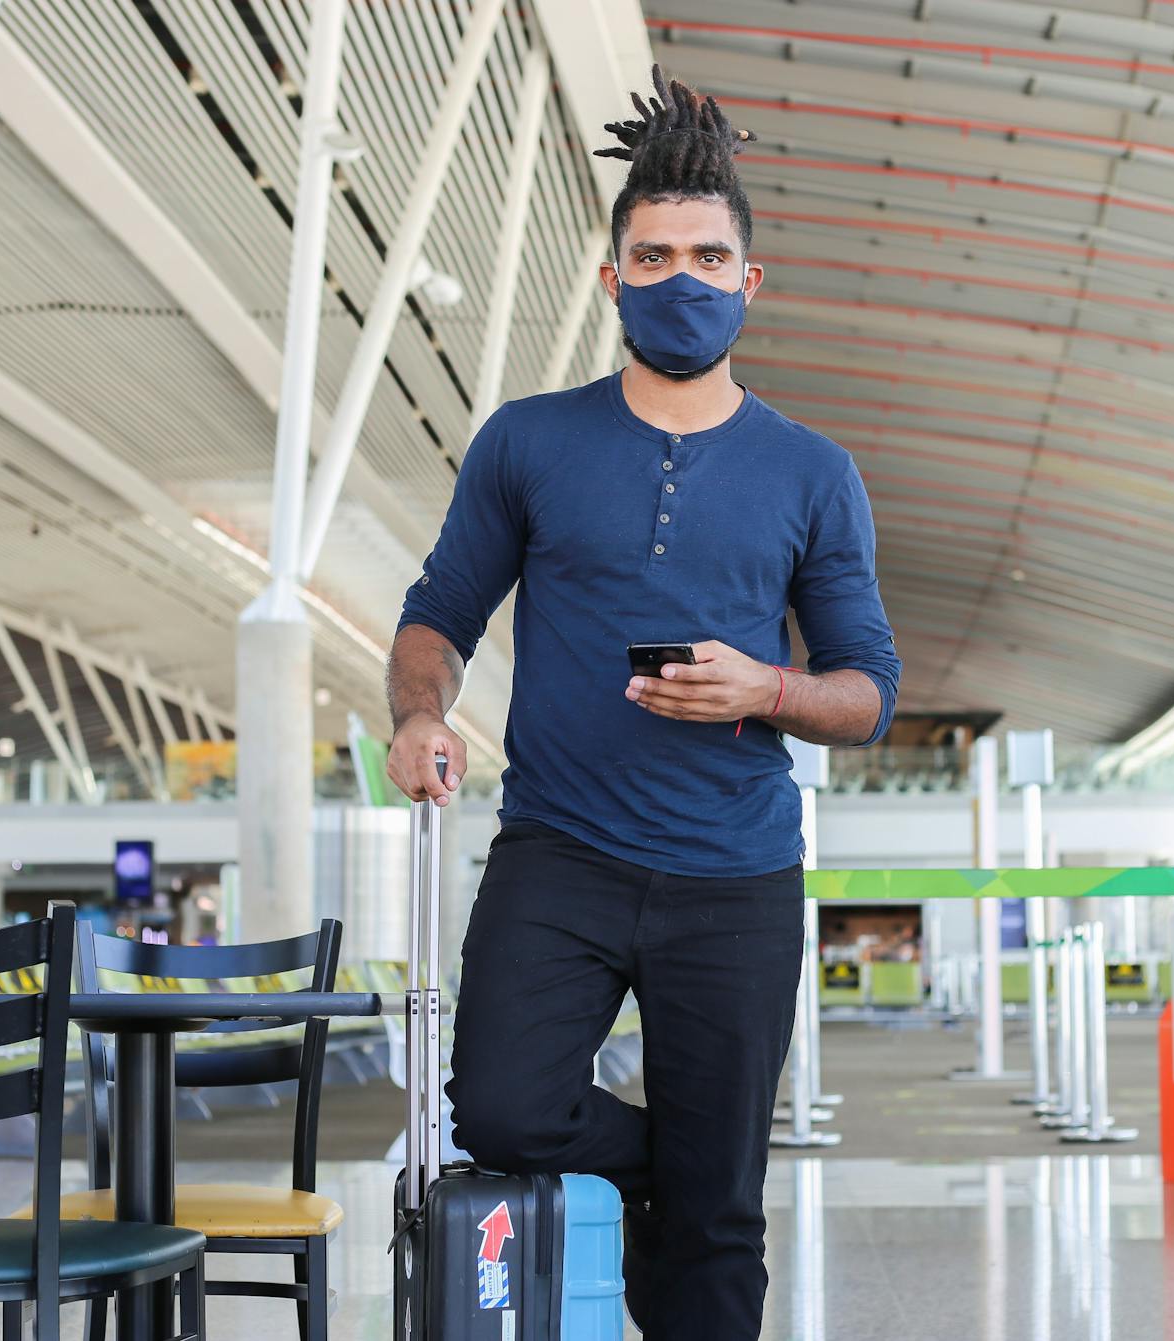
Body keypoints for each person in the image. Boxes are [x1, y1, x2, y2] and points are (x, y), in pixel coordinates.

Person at [384, 67, 900, 1339]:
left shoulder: (812, 475)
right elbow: (440, 612)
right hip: (559, 847)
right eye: (654, 256)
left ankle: (704, 1178)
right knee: (502, 1108)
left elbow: (868, 692)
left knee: (720, 1234)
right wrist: (417, 711)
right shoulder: (528, 440)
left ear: (749, 282)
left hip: (736, 871)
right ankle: (691, 1158)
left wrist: (767, 687)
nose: (682, 279)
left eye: (709, 257)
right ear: (612, 280)